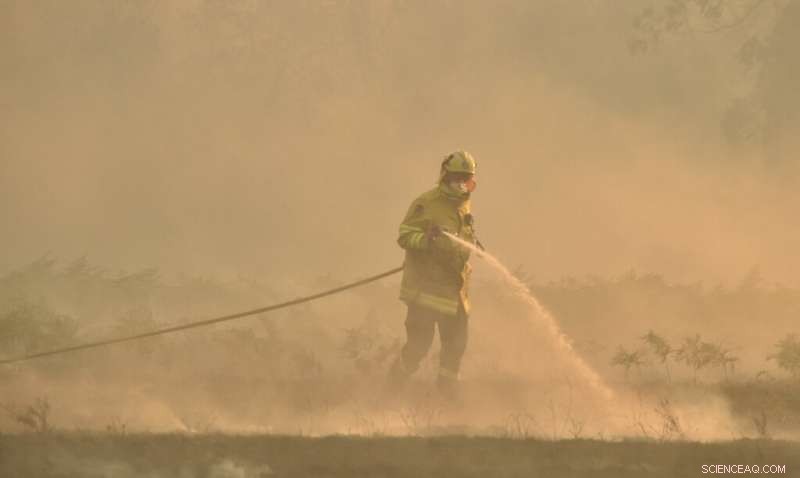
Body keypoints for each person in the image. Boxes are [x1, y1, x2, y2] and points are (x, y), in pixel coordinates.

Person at [388, 150, 479, 398]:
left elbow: (463, 234)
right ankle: (392, 386)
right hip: (425, 292)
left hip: (456, 292)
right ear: (445, 177)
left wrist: (474, 243)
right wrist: (425, 241)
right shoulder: (425, 204)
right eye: (457, 180)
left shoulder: (463, 204)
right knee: (419, 346)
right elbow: (404, 235)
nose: (462, 186)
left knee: (456, 346)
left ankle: (448, 393)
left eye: (468, 181)